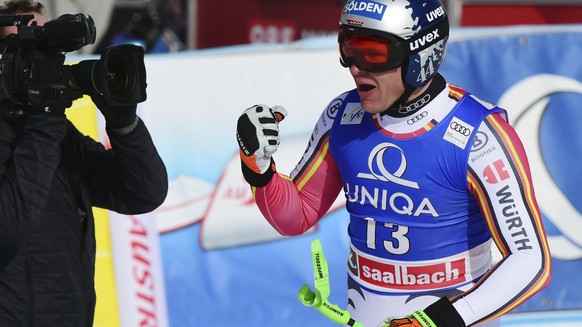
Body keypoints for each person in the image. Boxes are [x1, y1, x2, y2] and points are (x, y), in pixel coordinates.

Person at [236, 0, 551, 326]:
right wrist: (258, 168)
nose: (355, 66)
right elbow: (295, 217)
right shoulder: (342, 117)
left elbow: (531, 260)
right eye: (347, 47)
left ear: (420, 57)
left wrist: (436, 322)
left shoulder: (479, 135)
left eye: (372, 53)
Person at [0, 1, 168, 326]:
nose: (40, 63)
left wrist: (123, 123)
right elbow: (11, 222)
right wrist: (46, 113)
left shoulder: (52, 131)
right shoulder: (45, 127)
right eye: (25, 50)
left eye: (47, 49)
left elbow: (143, 193)